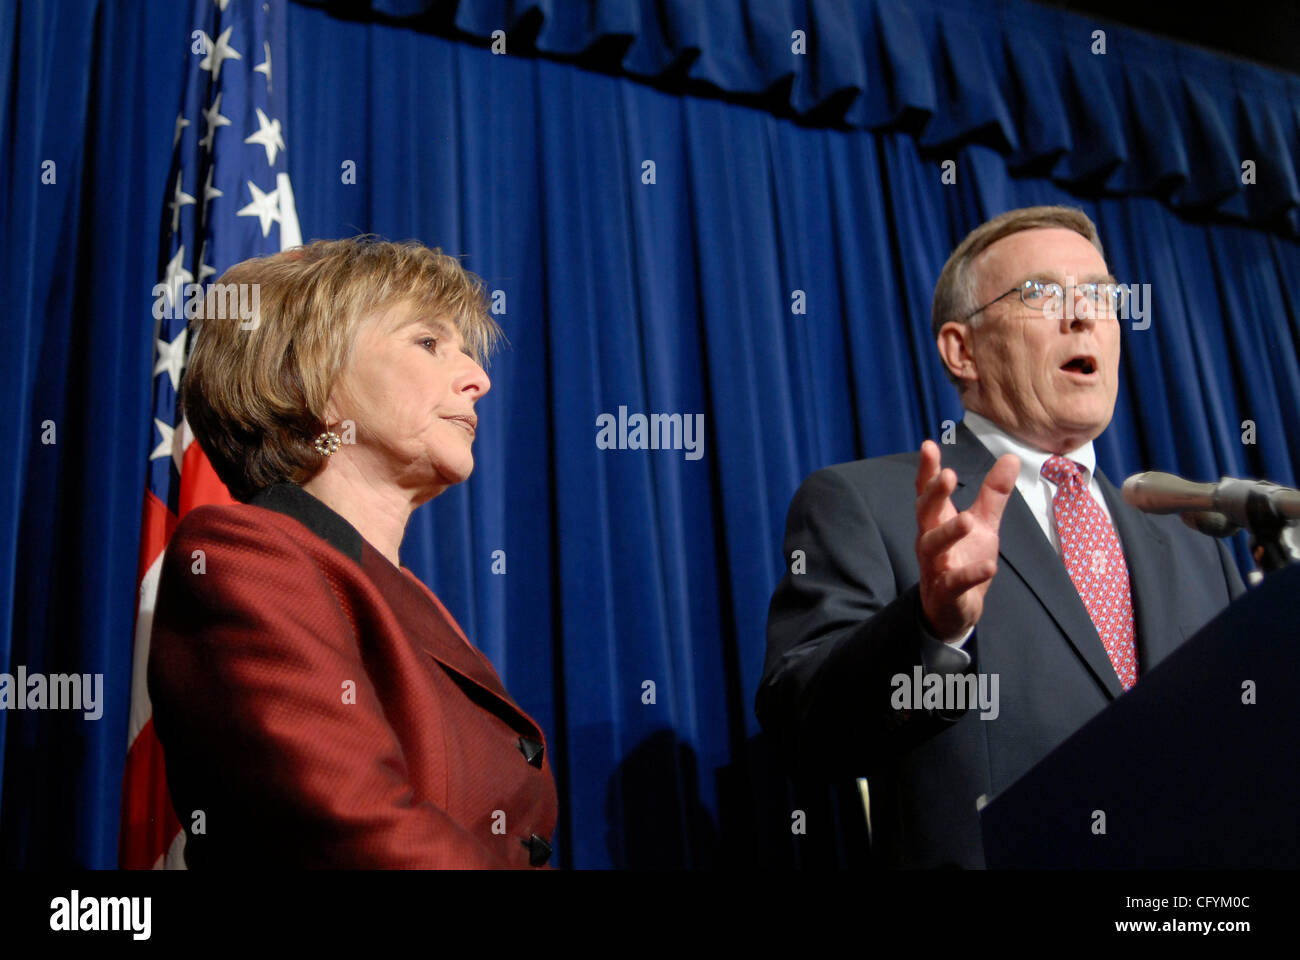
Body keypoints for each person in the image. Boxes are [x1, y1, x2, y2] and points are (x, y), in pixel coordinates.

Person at [756, 206, 1246, 869]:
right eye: (1045, 293)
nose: (1085, 317)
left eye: (1102, 295)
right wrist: (932, 626)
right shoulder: (869, 505)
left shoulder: (1195, 544)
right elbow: (802, 732)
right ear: (962, 349)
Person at [148, 237, 557, 868]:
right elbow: (355, 823)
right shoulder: (244, 558)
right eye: (429, 342)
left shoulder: (407, 596)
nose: (480, 379)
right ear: (311, 375)